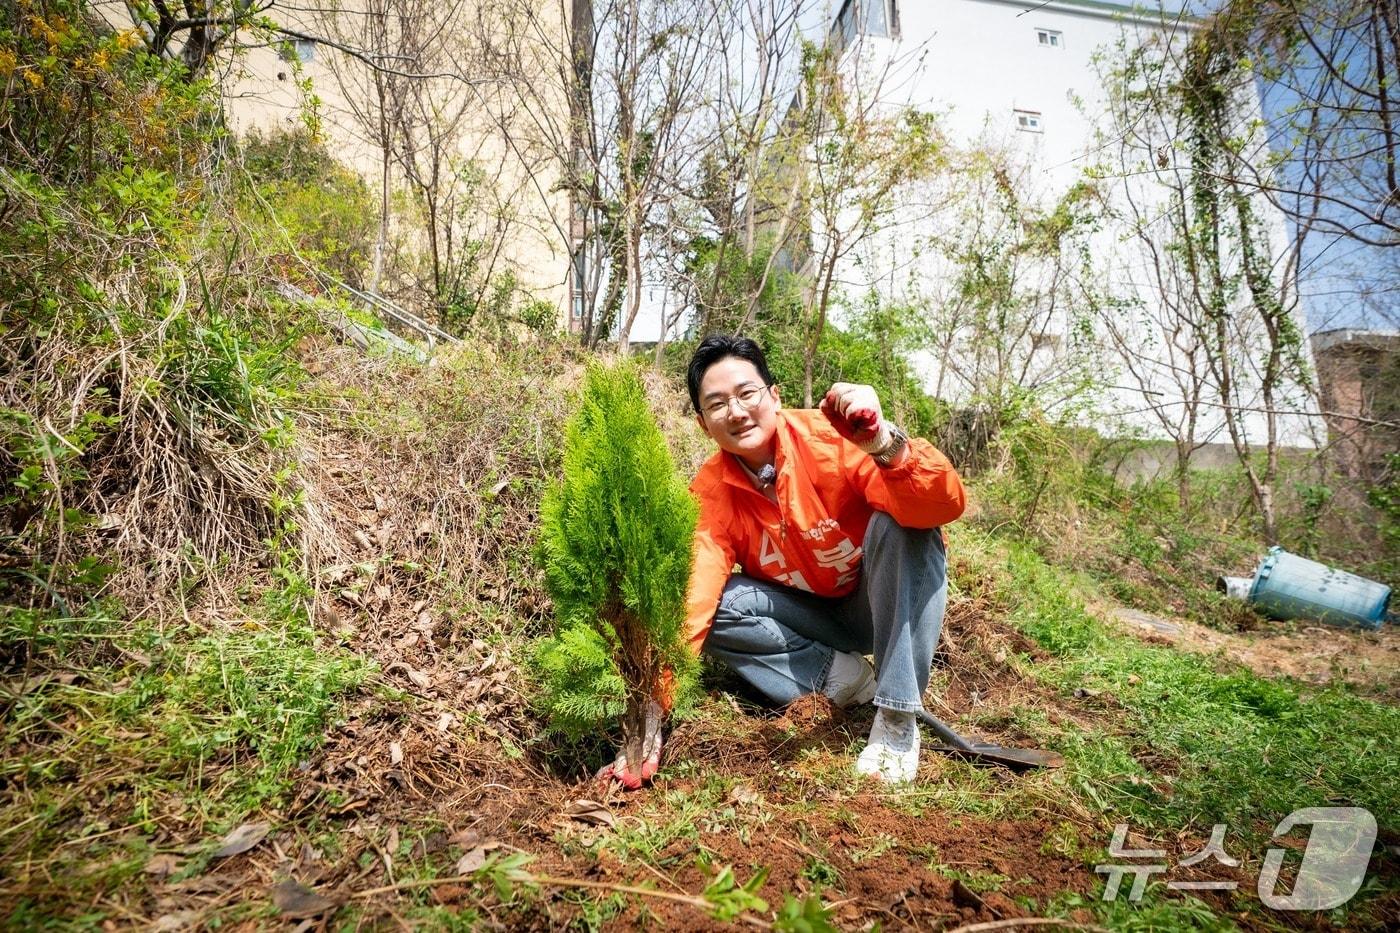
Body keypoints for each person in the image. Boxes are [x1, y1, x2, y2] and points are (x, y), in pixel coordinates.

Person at [602, 334, 966, 788]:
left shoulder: (833, 439)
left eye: (746, 393)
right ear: (702, 424)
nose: (735, 411)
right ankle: (842, 677)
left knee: (901, 525)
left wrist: (884, 445)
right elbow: (693, 599)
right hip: (811, 617)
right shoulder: (712, 493)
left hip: (880, 603)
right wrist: (652, 706)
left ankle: (895, 718)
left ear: (774, 396)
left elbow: (939, 508)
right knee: (721, 604)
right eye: (717, 404)